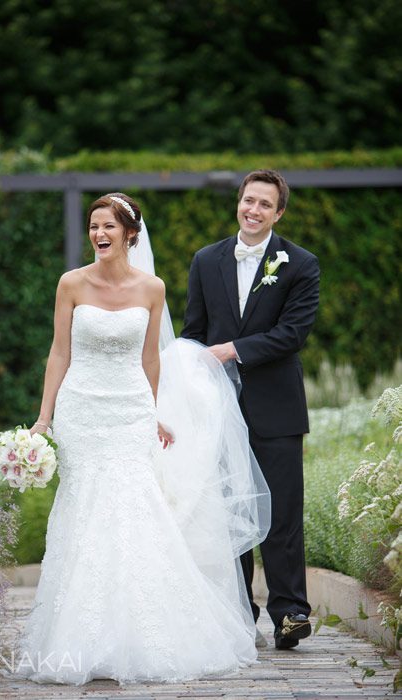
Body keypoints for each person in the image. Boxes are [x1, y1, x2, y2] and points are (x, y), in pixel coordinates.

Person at [14, 193, 270, 685]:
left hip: (130, 411)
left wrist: (153, 414)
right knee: (83, 509)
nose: (98, 234)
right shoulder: (70, 283)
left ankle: (139, 631)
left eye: (107, 226)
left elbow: (150, 358)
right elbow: (59, 353)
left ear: (130, 234)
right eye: (93, 226)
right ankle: (80, 633)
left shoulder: (152, 288)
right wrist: (44, 419)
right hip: (82, 411)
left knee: (135, 509)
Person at [181, 170, 320, 650]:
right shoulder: (205, 260)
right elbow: (193, 332)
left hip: (276, 408)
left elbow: (293, 334)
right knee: (229, 515)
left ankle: (291, 614)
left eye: (265, 204)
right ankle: (240, 613)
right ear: (238, 204)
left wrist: (233, 350)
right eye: (248, 201)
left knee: (282, 514)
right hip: (217, 410)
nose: (254, 210)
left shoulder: (300, 264)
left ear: (279, 212)